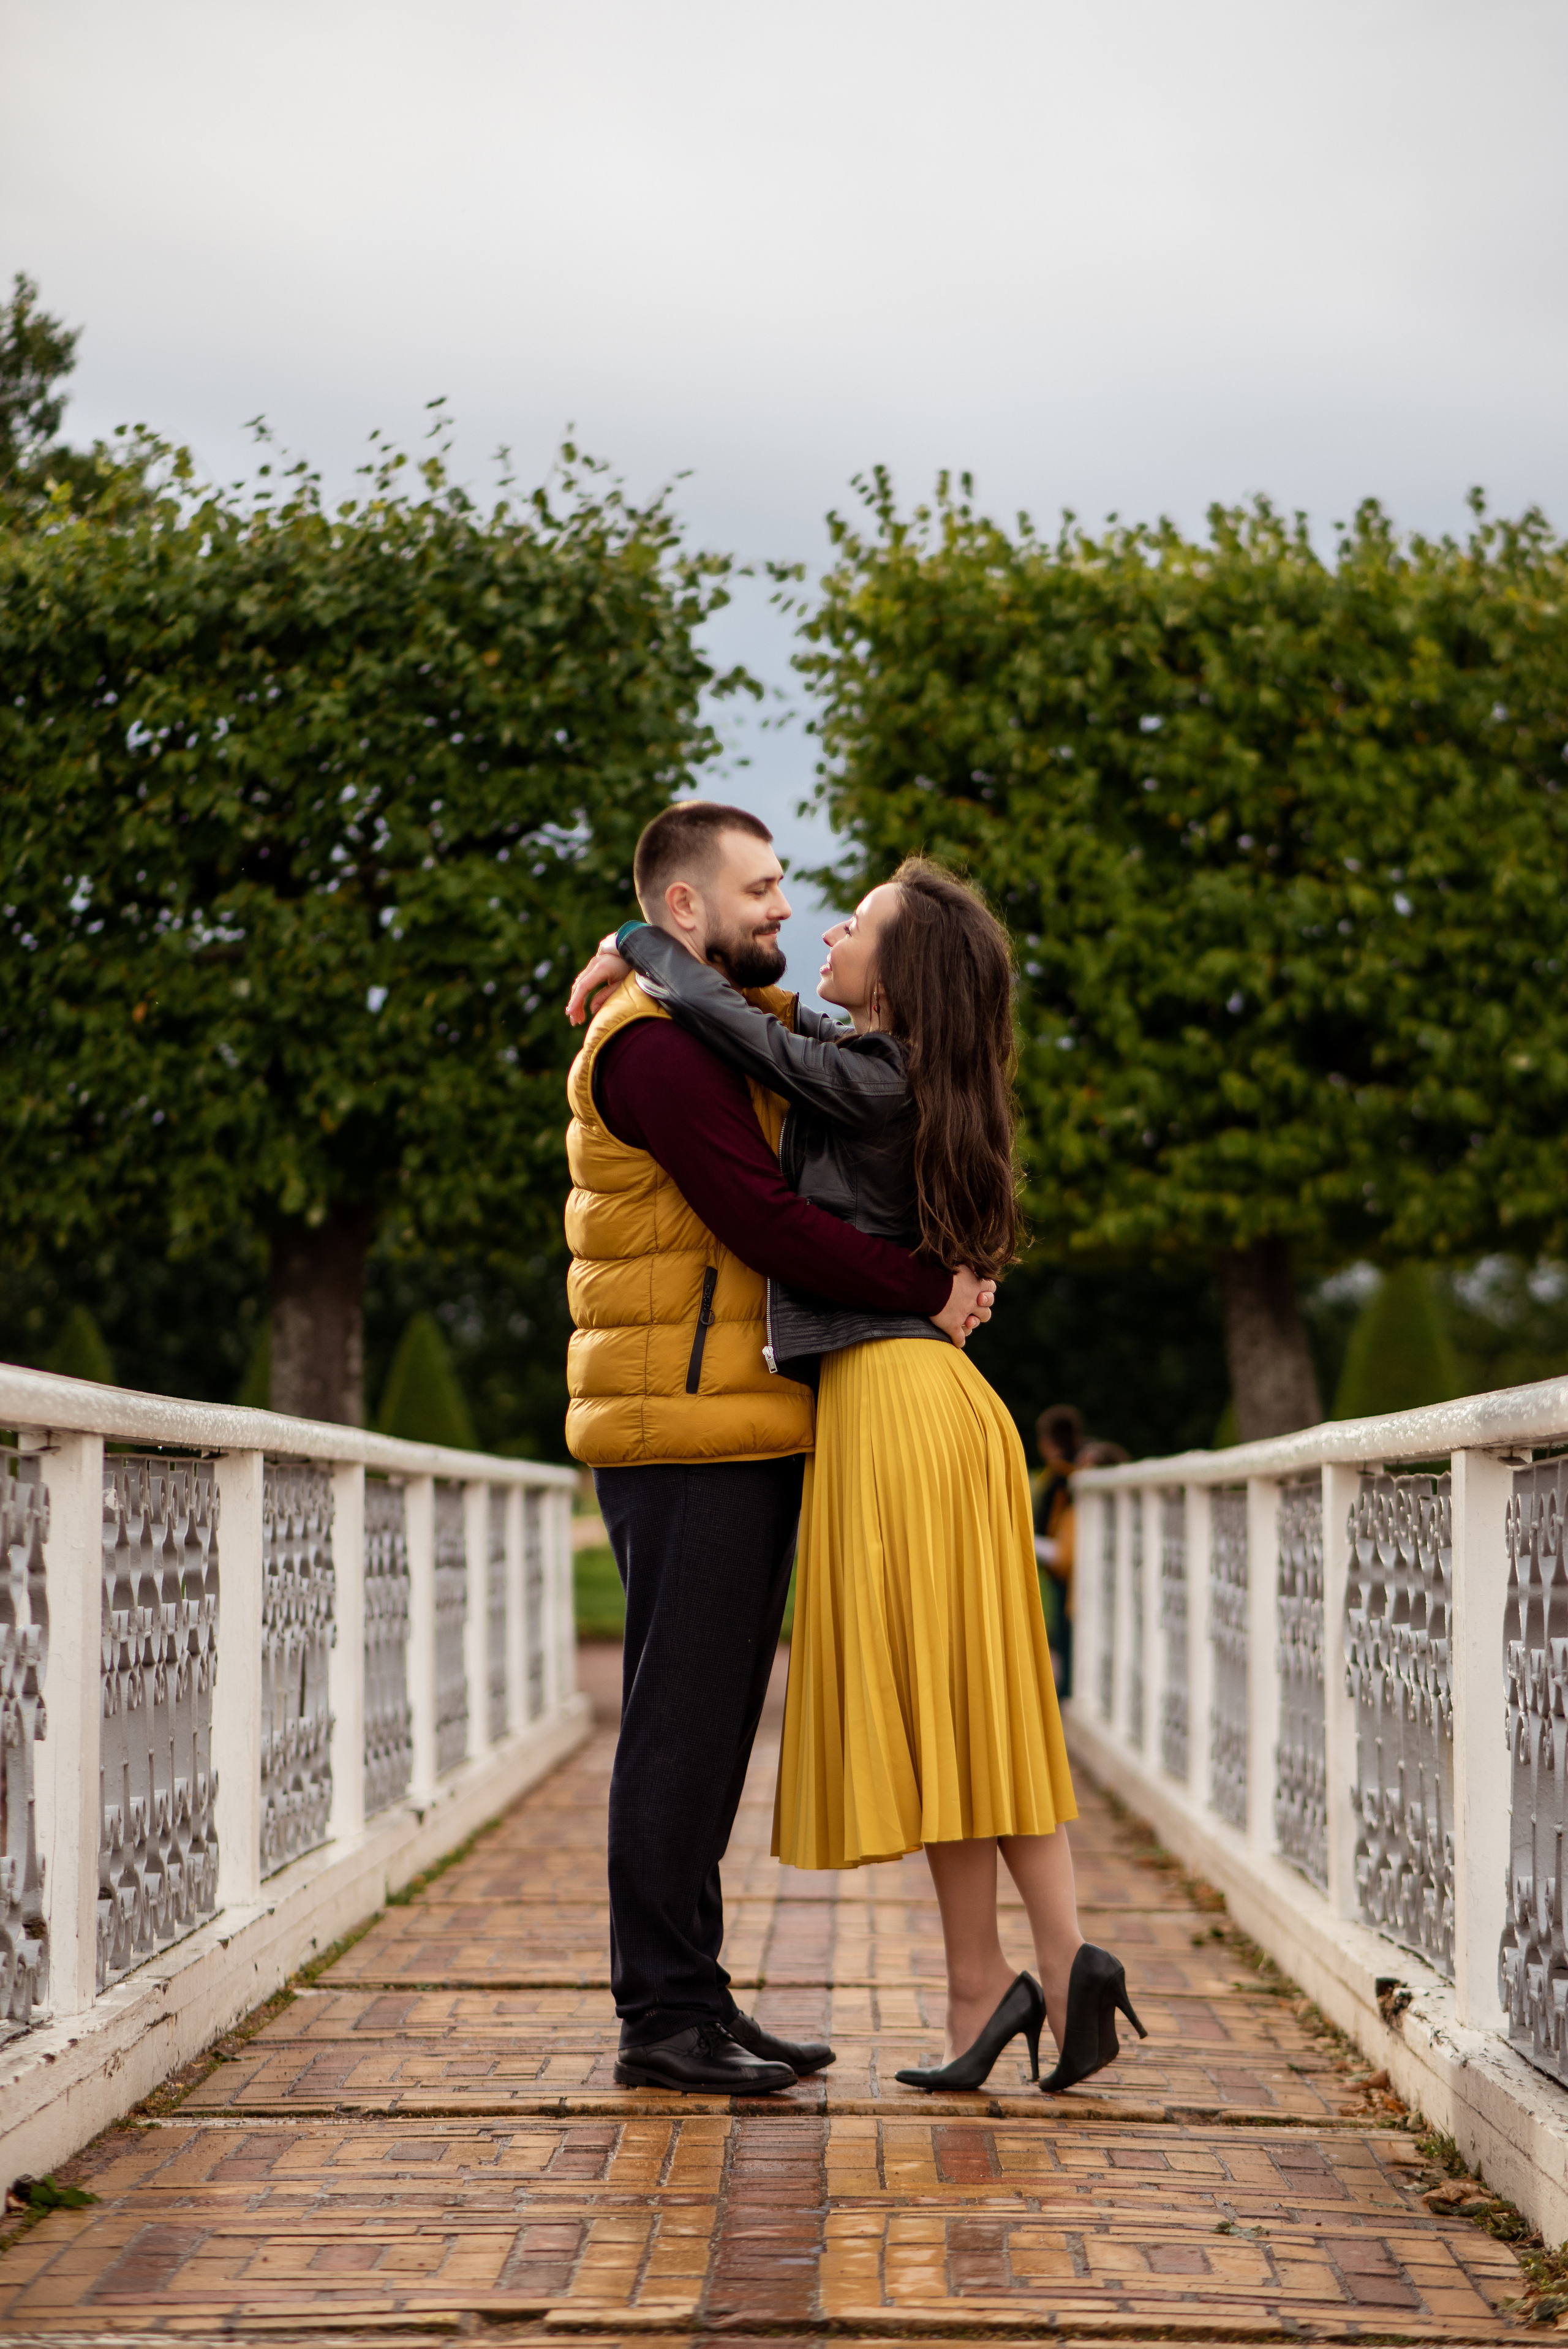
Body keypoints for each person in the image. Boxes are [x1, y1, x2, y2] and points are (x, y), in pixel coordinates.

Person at [567, 856, 1145, 2097]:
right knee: (970, 1701)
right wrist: (641, 949)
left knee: (955, 1706)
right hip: (931, 1407)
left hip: (893, 1406)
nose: (818, 921)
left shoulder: (865, 1073)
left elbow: (739, 1033)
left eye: (854, 919)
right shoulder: (916, 1068)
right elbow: (757, 1023)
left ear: (899, 975)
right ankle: (1016, 1968)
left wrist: (634, 940)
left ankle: (1030, 1961)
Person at [1034, 1404, 1084, 1699]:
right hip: (1070, 1559)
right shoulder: (1080, 1467)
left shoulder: (1060, 1475)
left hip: (1063, 1558)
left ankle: (1066, 1691)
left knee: (1067, 1628)